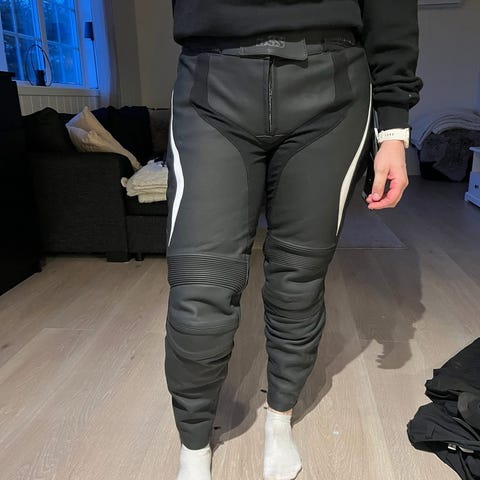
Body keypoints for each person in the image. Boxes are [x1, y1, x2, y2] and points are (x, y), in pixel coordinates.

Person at [164, 1, 423, 479]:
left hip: (332, 86)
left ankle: (279, 417)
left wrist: (393, 126)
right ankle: (193, 445)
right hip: (212, 81)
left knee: (298, 279)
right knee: (199, 289)